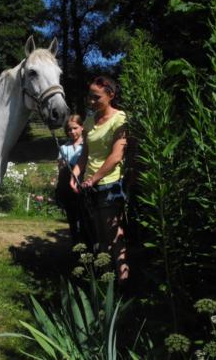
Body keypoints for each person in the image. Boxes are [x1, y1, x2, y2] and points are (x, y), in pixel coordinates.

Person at [69, 76, 129, 282]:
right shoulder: (89, 119)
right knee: (99, 236)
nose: (91, 101)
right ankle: (106, 280)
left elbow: (116, 156)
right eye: (90, 97)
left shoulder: (120, 118)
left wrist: (94, 178)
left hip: (109, 184)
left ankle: (122, 281)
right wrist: (75, 173)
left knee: (114, 235)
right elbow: (85, 153)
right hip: (89, 186)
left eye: (96, 97)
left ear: (111, 95)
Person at [55, 114, 84, 245]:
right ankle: (77, 246)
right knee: (72, 220)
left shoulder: (86, 147)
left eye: (75, 128)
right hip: (68, 190)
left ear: (82, 127)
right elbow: (60, 170)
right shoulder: (64, 148)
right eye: (69, 129)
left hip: (83, 188)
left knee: (84, 219)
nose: (72, 132)